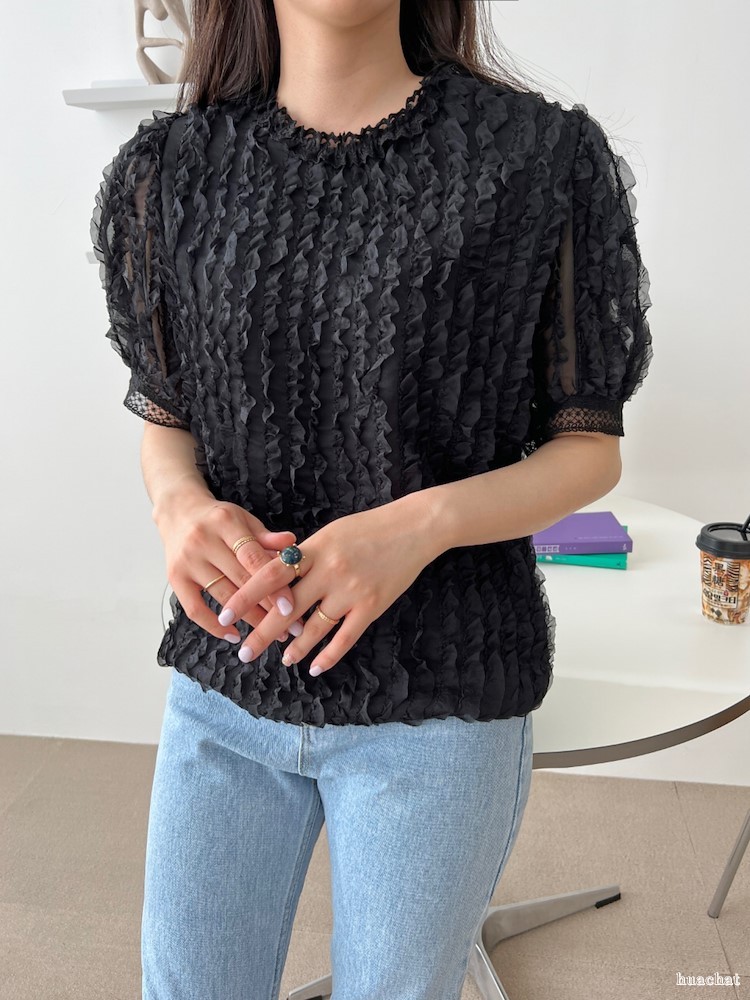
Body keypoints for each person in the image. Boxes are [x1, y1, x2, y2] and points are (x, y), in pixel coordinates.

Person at [90, 2, 653, 998]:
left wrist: (416, 527)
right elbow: (168, 414)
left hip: (437, 702)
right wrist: (178, 505)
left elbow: (588, 449)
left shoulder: (539, 160)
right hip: (227, 687)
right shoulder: (171, 169)